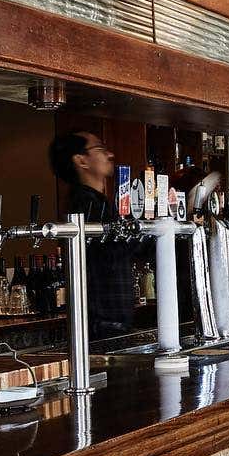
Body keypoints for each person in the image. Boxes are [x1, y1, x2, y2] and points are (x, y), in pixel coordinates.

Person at [48, 129, 137, 340]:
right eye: (100, 149)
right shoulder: (86, 205)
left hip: (107, 321)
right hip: (102, 323)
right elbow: (115, 250)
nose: (110, 155)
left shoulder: (98, 203)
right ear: (81, 160)